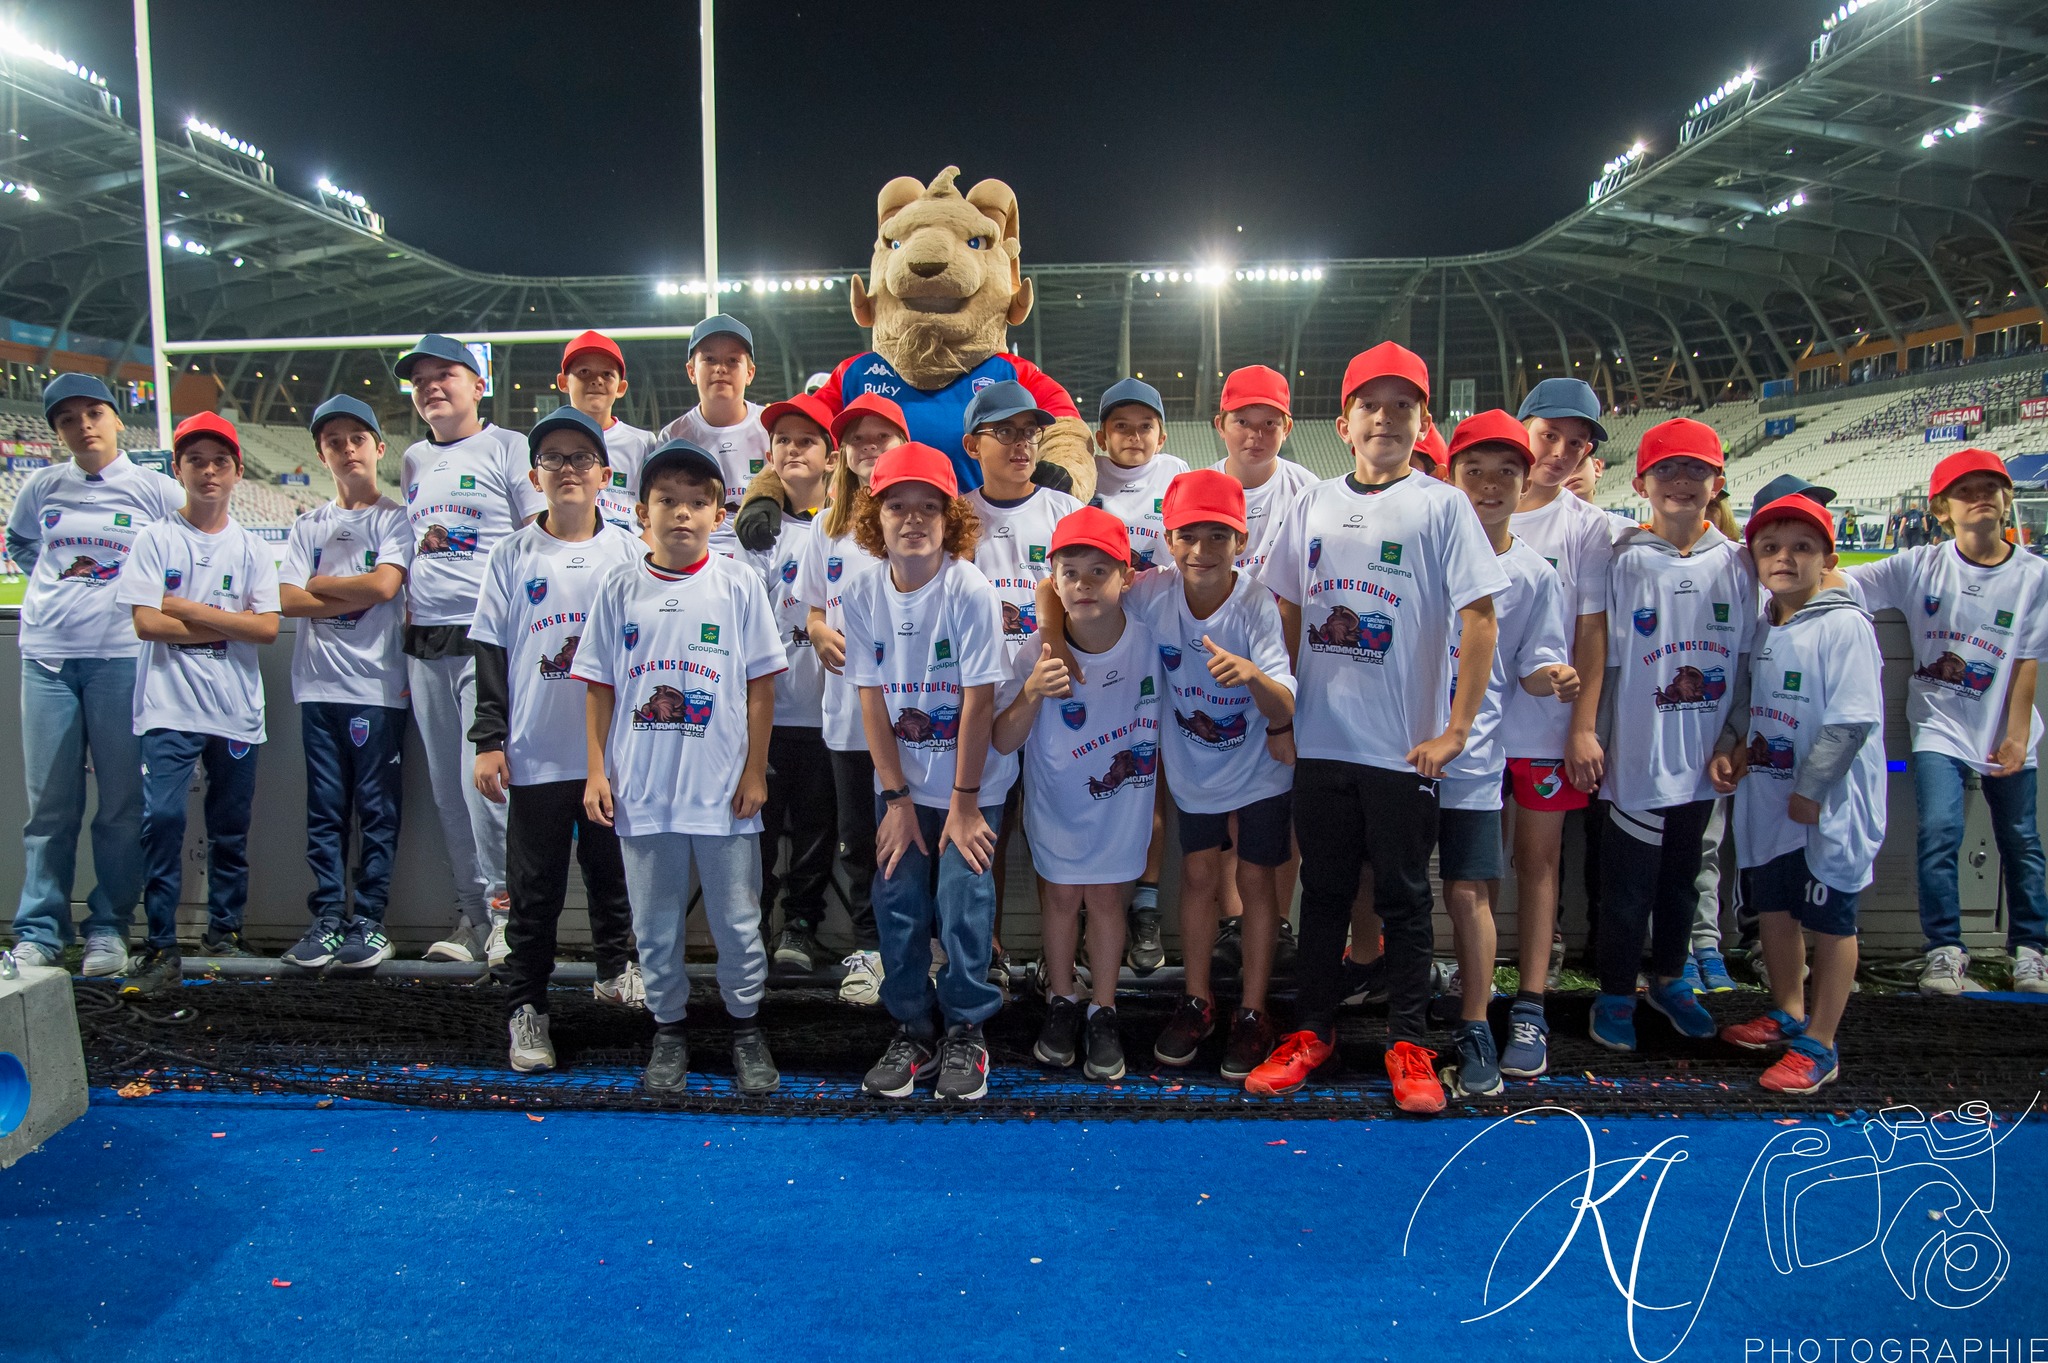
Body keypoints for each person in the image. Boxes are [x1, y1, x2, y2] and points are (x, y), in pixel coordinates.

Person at [1250, 342, 1510, 1114]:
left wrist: (1456, 729)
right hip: (1323, 744)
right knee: (1324, 898)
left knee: (1402, 899)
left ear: (1424, 422)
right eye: (1372, 404)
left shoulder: (1441, 503)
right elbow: (1288, 609)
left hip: (1402, 751)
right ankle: (1315, 1030)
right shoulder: (1315, 501)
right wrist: (1287, 711)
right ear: (1344, 422)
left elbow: (1481, 617)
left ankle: (1408, 1041)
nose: (1387, 418)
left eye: (1403, 406)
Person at [1046, 470, 1298, 1081]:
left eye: (1219, 537)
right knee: (1200, 875)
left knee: (1259, 882)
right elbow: (1056, 587)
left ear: (1242, 540)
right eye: (1188, 536)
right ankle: (1197, 998)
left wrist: (1253, 678)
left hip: (1260, 768)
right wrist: (1054, 645)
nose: (1202, 552)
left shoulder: (1257, 603)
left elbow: (1285, 702)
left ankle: (1254, 1010)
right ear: (1167, 538)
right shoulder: (1152, 590)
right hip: (1193, 769)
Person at [573, 440, 787, 1094]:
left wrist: (755, 771)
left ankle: (746, 1029)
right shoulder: (619, 586)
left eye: (697, 501)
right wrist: (596, 771)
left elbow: (759, 687)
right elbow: (599, 687)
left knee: (738, 921)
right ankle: (668, 1032)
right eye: (668, 500)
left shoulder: (738, 583)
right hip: (640, 791)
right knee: (655, 925)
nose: (683, 514)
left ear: (720, 513)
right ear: (642, 511)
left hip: (722, 791)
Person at [470, 407, 647, 1073]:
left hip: (612, 757)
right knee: (535, 894)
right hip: (537, 755)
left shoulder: (629, 550)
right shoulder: (512, 554)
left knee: (614, 879)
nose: (567, 468)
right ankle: (527, 1008)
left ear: (605, 473)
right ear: (534, 474)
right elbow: (490, 650)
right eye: (554, 458)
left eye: (580, 457)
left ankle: (614, 971)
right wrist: (489, 740)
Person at [839, 443, 1018, 1101]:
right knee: (898, 898)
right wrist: (895, 798)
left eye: (927, 508)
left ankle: (967, 1028)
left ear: (951, 520)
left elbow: (979, 700)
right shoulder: (861, 591)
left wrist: (966, 802)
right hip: (904, 787)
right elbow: (870, 696)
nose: (912, 519)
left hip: (973, 784)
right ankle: (911, 1027)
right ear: (875, 518)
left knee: (964, 903)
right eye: (897, 506)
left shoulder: (968, 587)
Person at [1842, 448, 2048, 994]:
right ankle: (1945, 949)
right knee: (1939, 832)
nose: (1979, 497)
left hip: (2007, 729)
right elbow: (1842, 584)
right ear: (1941, 509)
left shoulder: (2035, 575)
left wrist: (2018, 733)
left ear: (2007, 499)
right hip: (1937, 726)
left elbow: (2027, 658)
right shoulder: (1921, 566)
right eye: (1965, 491)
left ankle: (2031, 949)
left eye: (1990, 487)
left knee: (2021, 840)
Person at [4, 374, 182, 975]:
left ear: (115, 419)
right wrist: (65, 590)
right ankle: (39, 932)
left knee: (121, 806)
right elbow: (24, 546)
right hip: (47, 658)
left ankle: (109, 927)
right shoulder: (41, 485)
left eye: (94, 413)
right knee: (49, 808)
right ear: (57, 431)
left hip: (122, 659)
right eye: (68, 419)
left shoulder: (156, 489)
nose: (83, 426)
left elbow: (182, 557)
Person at [1710, 493, 1888, 1091]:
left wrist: (1812, 790)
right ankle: (1788, 1010)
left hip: (1824, 807)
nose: (1784, 558)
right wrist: (1735, 747)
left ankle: (1822, 1041)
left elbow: (1850, 721)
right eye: (1770, 548)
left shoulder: (1845, 625)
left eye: (1801, 548)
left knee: (1832, 920)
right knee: (1777, 910)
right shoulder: (1766, 624)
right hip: (1768, 798)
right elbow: (1751, 701)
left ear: (1827, 558)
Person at [1591, 417, 1756, 1050]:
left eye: (1695, 470)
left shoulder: (1739, 564)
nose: (1681, 481)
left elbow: (1745, 667)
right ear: (1642, 481)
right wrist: (1597, 739)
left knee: (1683, 881)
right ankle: (1612, 992)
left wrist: (1730, 739)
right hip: (1636, 759)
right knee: (1627, 890)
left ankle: (1668, 979)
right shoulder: (1624, 559)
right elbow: (1603, 660)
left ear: (1718, 482)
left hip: (1703, 765)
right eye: (1667, 470)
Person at [994, 506, 1162, 1082]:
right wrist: (1031, 695)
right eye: (1070, 573)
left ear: (1127, 577)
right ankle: (1062, 1002)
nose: (1083, 585)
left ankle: (1105, 1010)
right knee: (1062, 903)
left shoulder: (1150, 642)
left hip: (1121, 809)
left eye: (1099, 572)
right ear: (1054, 580)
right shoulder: (1033, 655)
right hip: (1058, 806)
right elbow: (1002, 736)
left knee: (1109, 904)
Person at [1436, 411, 1576, 1094]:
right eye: (1475, 472)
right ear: (1448, 476)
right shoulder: (1420, 550)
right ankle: (1401, 1012)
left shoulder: (1532, 573)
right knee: (1393, 887)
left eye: (1506, 473)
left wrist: (1552, 677)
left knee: (1470, 888)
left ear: (1527, 482)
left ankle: (1476, 1022)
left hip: (1475, 753)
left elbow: (1531, 662)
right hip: (1403, 750)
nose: (1490, 486)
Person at [116, 414, 280, 994]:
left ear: (237, 471)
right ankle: (159, 942)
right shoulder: (156, 539)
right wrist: (224, 625)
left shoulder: (254, 548)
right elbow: (145, 623)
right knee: (162, 819)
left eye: (219, 462)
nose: (208, 471)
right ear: (179, 469)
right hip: (169, 707)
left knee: (229, 828)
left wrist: (187, 608)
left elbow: (264, 630)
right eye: (196, 461)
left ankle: (224, 934)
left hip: (235, 708)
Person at [396, 334, 545, 964]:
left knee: (484, 783)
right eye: (420, 379)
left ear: (477, 383)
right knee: (446, 790)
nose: (432, 386)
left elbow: (536, 535)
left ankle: (506, 911)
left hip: (485, 639)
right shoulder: (408, 460)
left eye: (445, 375)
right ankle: (472, 917)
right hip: (424, 640)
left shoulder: (509, 448)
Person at [1496, 378, 1612, 1078]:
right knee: (1472, 870)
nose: (1563, 453)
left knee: (1538, 865)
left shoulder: (1586, 526)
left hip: (1545, 728)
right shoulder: (1464, 504)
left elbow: (1589, 638)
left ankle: (1531, 1000)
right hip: (1472, 728)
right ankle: (1473, 994)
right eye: (1551, 436)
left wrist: (1583, 727)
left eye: (1578, 444)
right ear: (1524, 429)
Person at [276, 396, 412, 972]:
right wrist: (334, 588)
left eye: (357, 438)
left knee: (377, 810)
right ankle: (328, 917)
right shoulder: (308, 523)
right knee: (325, 810)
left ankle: (370, 920)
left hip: (378, 690)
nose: (347, 449)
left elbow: (384, 588)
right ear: (321, 454)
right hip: (317, 688)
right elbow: (285, 600)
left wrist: (319, 583)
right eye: (334, 442)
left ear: (379, 448)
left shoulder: (397, 519)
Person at [961, 379, 1081, 991]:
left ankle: (1065, 961)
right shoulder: (955, 516)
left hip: (1056, 699)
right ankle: (988, 952)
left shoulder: (1064, 513)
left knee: (1058, 824)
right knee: (987, 834)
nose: (1019, 444)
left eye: (1029, 432)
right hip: (984, 702)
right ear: (971, 443)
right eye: (1003, 431)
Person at [795, 392, 910, 1004]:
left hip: (910, 719)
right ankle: (869, 949)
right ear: (843, 453)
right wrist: (817, 632)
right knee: (861, 841)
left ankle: (915, 948)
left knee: (911, 836)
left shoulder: (918, 516)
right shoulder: (827, 525)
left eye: (882, 438)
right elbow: (814, 610)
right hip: (846, 718)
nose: (870, 449)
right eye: (859, 440)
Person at [1089, 377, 1187, 957]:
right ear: (1103, 435)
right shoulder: (1084, 478)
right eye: (1120, 426)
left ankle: (1145, 905)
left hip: (1158, 645)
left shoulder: (1177, 475)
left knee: (1149, 783)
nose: (1133, 436)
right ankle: (1092, 909)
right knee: (1098, 780)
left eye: (1144, 426)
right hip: (1096, 645)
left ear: (1162, 434)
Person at [748, 392, 840, 973]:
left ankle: (801, 927)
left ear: (832, 458)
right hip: (766, 713)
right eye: (783, 440)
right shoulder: (752, 530)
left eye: (807, 440)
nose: (793, 449)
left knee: (816, 830)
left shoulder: (849, 527)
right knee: (755, 831)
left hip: (829, 714)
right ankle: (751, 927)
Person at [656, 314, 764, 549]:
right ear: (691, 371)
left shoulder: (771, 427)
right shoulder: (673, 436)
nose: (721, 368)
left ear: (750, 373)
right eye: (710, 359)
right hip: (697, 552)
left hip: (764, 546)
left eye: (733, 360)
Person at [1217, 366, 1317, 577]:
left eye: (1270, 423)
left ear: (1286, 429)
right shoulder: (1202, 488)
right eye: (1242, 422)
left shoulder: (1306, 489)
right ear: (1220, 426)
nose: (1255, 434)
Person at [555, 330, 657, 533]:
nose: (597, 380)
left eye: (607, 374)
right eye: (584, 372)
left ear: (621, 387)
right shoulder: (549, 442)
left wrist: (641, 556)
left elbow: (656, 513)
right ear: (563, 382)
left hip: (630, 555)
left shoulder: (643, 442)